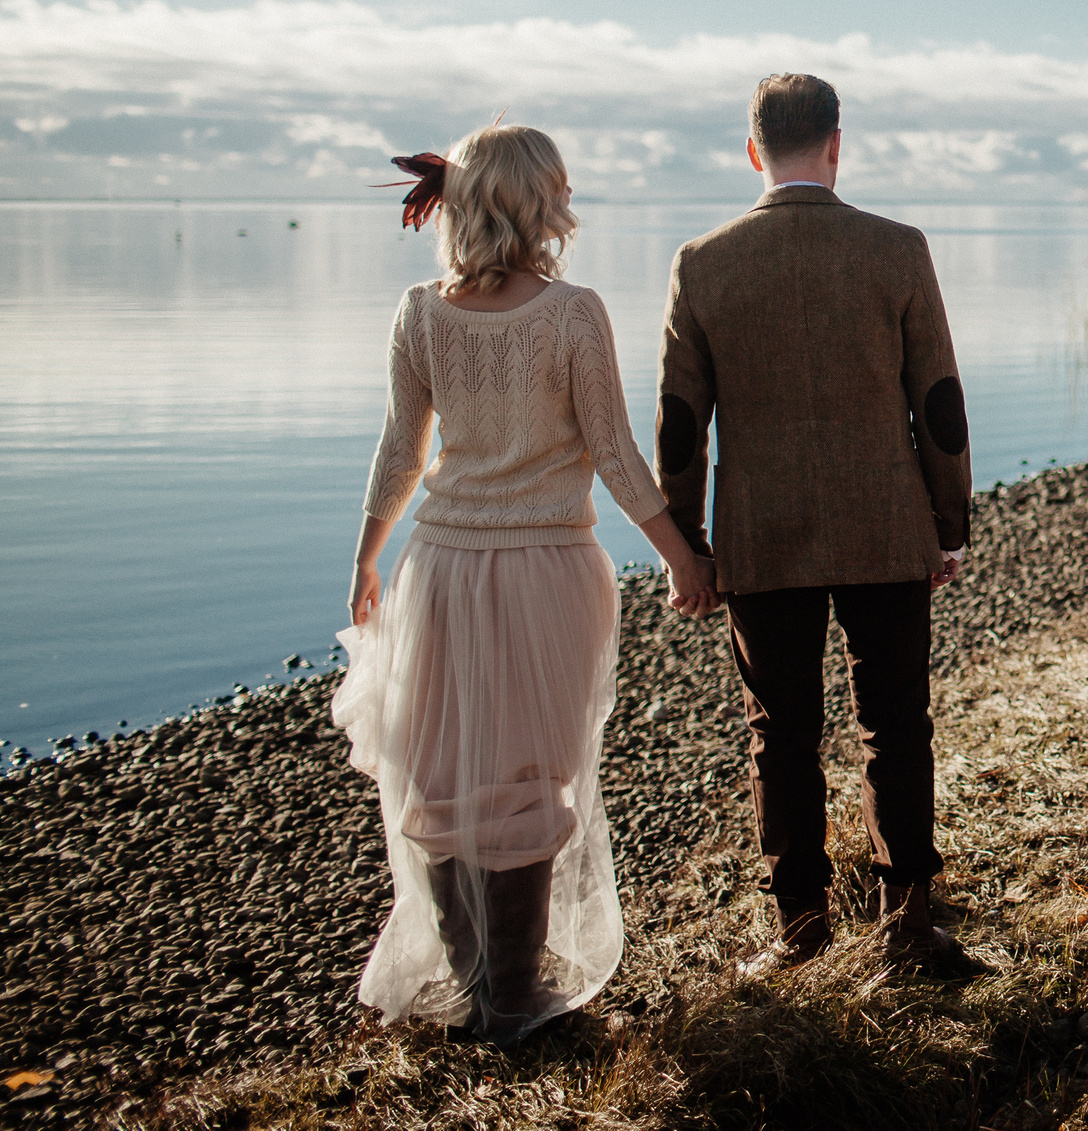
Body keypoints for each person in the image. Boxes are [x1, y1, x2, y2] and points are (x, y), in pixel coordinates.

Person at [333, 121, 721, 1045]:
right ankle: (510, 991)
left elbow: (400, 451)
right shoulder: (573, 312)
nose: (568, 199)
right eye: (561, 186)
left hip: (441, 568)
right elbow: (615, 455)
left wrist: (367, 556)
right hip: (549, 571)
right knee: (531, 778)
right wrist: (682, 556)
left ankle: (479, 986)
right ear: (537, 201)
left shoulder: (420, 312)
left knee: (443, 777)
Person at [655, 72, 973, 977]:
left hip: (761, 532)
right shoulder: (898, 248)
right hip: (886, 522)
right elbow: (939, 401)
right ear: (836, 144)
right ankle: (909, 925)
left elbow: (680, 423)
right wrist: (947, 521)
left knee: (780, 734)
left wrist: (688, 542)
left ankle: (800, 933)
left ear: (752, 150)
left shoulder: (702, 262)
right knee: (896, 724)